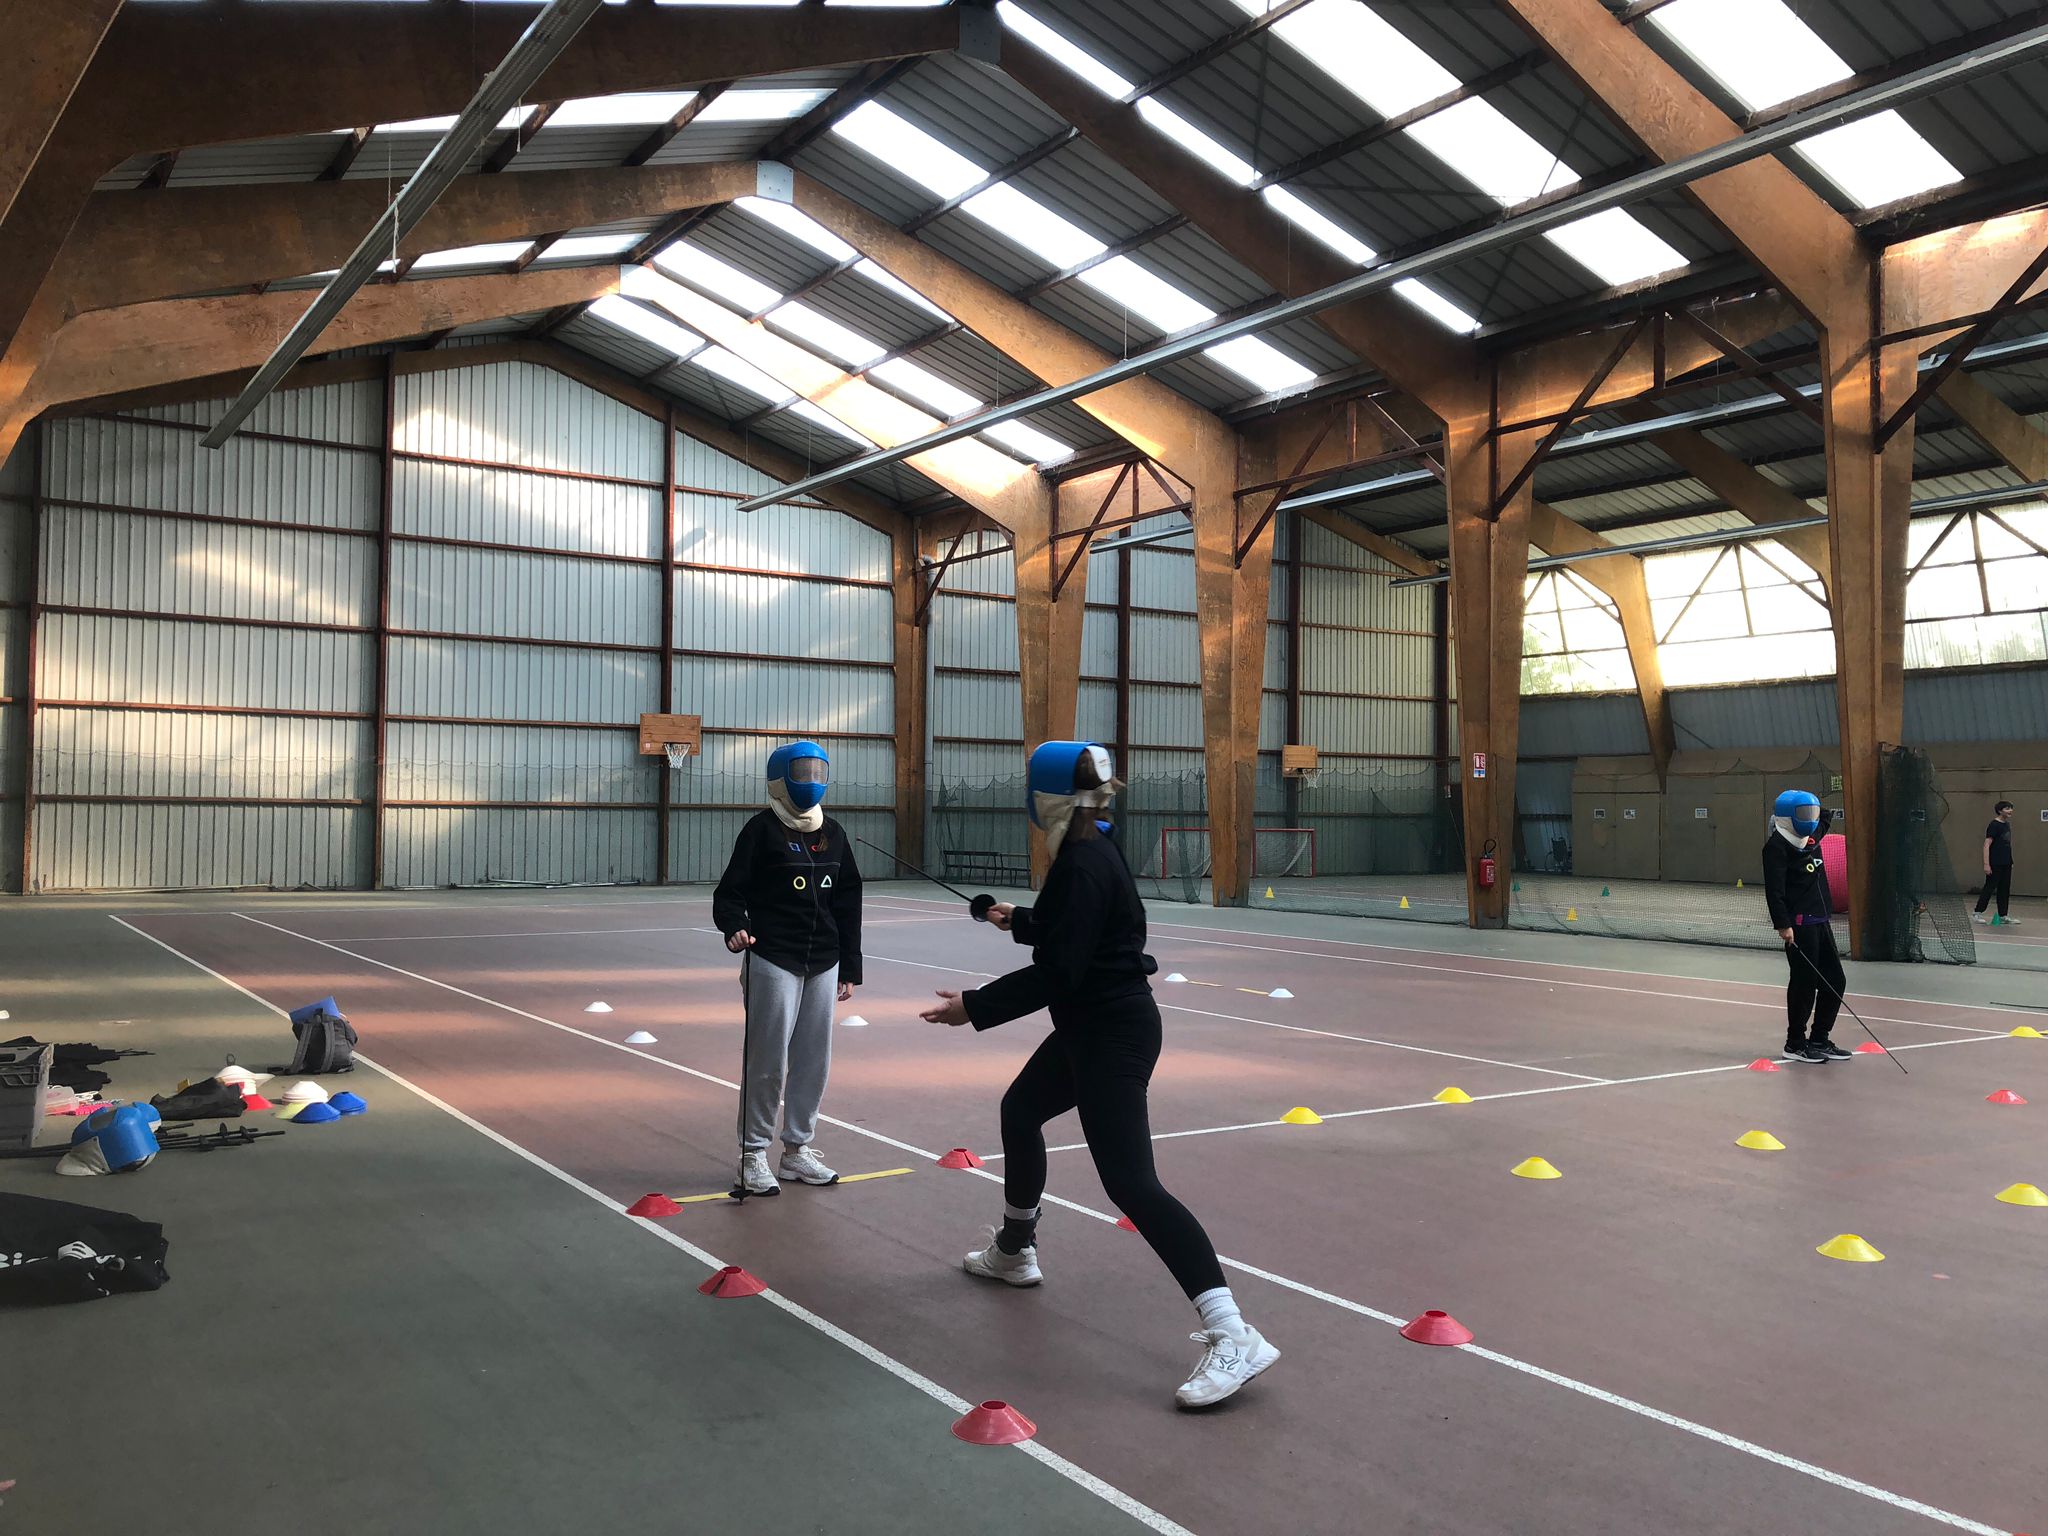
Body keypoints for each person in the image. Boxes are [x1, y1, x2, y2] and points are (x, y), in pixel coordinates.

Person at [918, 741, 1280, 1411]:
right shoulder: (1093, 845)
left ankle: (1235, 1333)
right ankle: (1014, 1249)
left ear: (1046, 796)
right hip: (1092, 1025)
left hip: (1112, 1033)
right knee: (1021, 1111)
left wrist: (975, 1006)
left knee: (1132, 1183)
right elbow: (1078, 931)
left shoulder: (1082, 860)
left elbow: (1061, 969)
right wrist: (1021, 920)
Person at [713, 740, 862, 1196]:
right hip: (773, 957)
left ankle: (797, 1150)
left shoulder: (834, 833)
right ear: (780, 779)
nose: (811, 780)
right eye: (802, 772)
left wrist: (850, 965)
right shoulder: (760, 831)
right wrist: (735, 927)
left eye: (819, 772)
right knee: (768, 1060)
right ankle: (752, 1154)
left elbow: (848, 902)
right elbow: (729, 894)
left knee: (814, 1060)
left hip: (824, 961)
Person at [1762, 789, 1850, 1064]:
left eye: (1809, 813)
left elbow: (1825, 816)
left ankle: (1820, 1038)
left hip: (1821, 921)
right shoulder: (1776, 847)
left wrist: (1813, 805)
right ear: (1787, 817)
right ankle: (1795, 1043)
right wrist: (1783, 924)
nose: (1809, 818)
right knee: (1804, 984)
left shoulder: (1812, 838)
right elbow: (1774, 891)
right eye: (1802, 813)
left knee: (1835, 980)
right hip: (1799, 925)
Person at [1974, 800, 2019, 926]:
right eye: (2007, 808)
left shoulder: (2007, 825)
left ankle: (2003, 915)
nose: (2010, 811)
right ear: (2000, 811)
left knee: (2004, 889)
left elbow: (2006, 845)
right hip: (1995, 863)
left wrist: (2010, 861)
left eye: (2011, 808)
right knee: (1989, 888)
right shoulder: (1994, 825)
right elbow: (1987, 844)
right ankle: (1977, 912)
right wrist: (1986, 864)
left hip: (2006, 863)